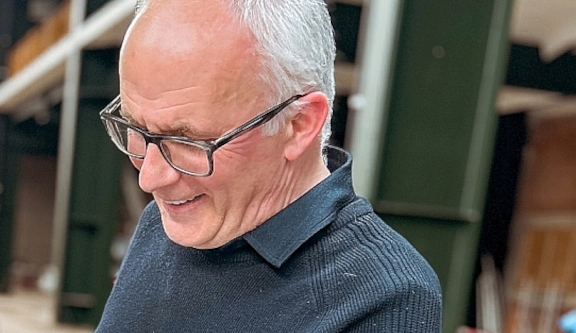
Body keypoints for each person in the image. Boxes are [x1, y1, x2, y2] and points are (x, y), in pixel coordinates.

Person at [96, 0, 442, 332]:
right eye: (135, 128)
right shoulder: (167, 223)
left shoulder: (383, 296)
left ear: (298, 124)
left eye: (188, 141)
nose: (150, 178)